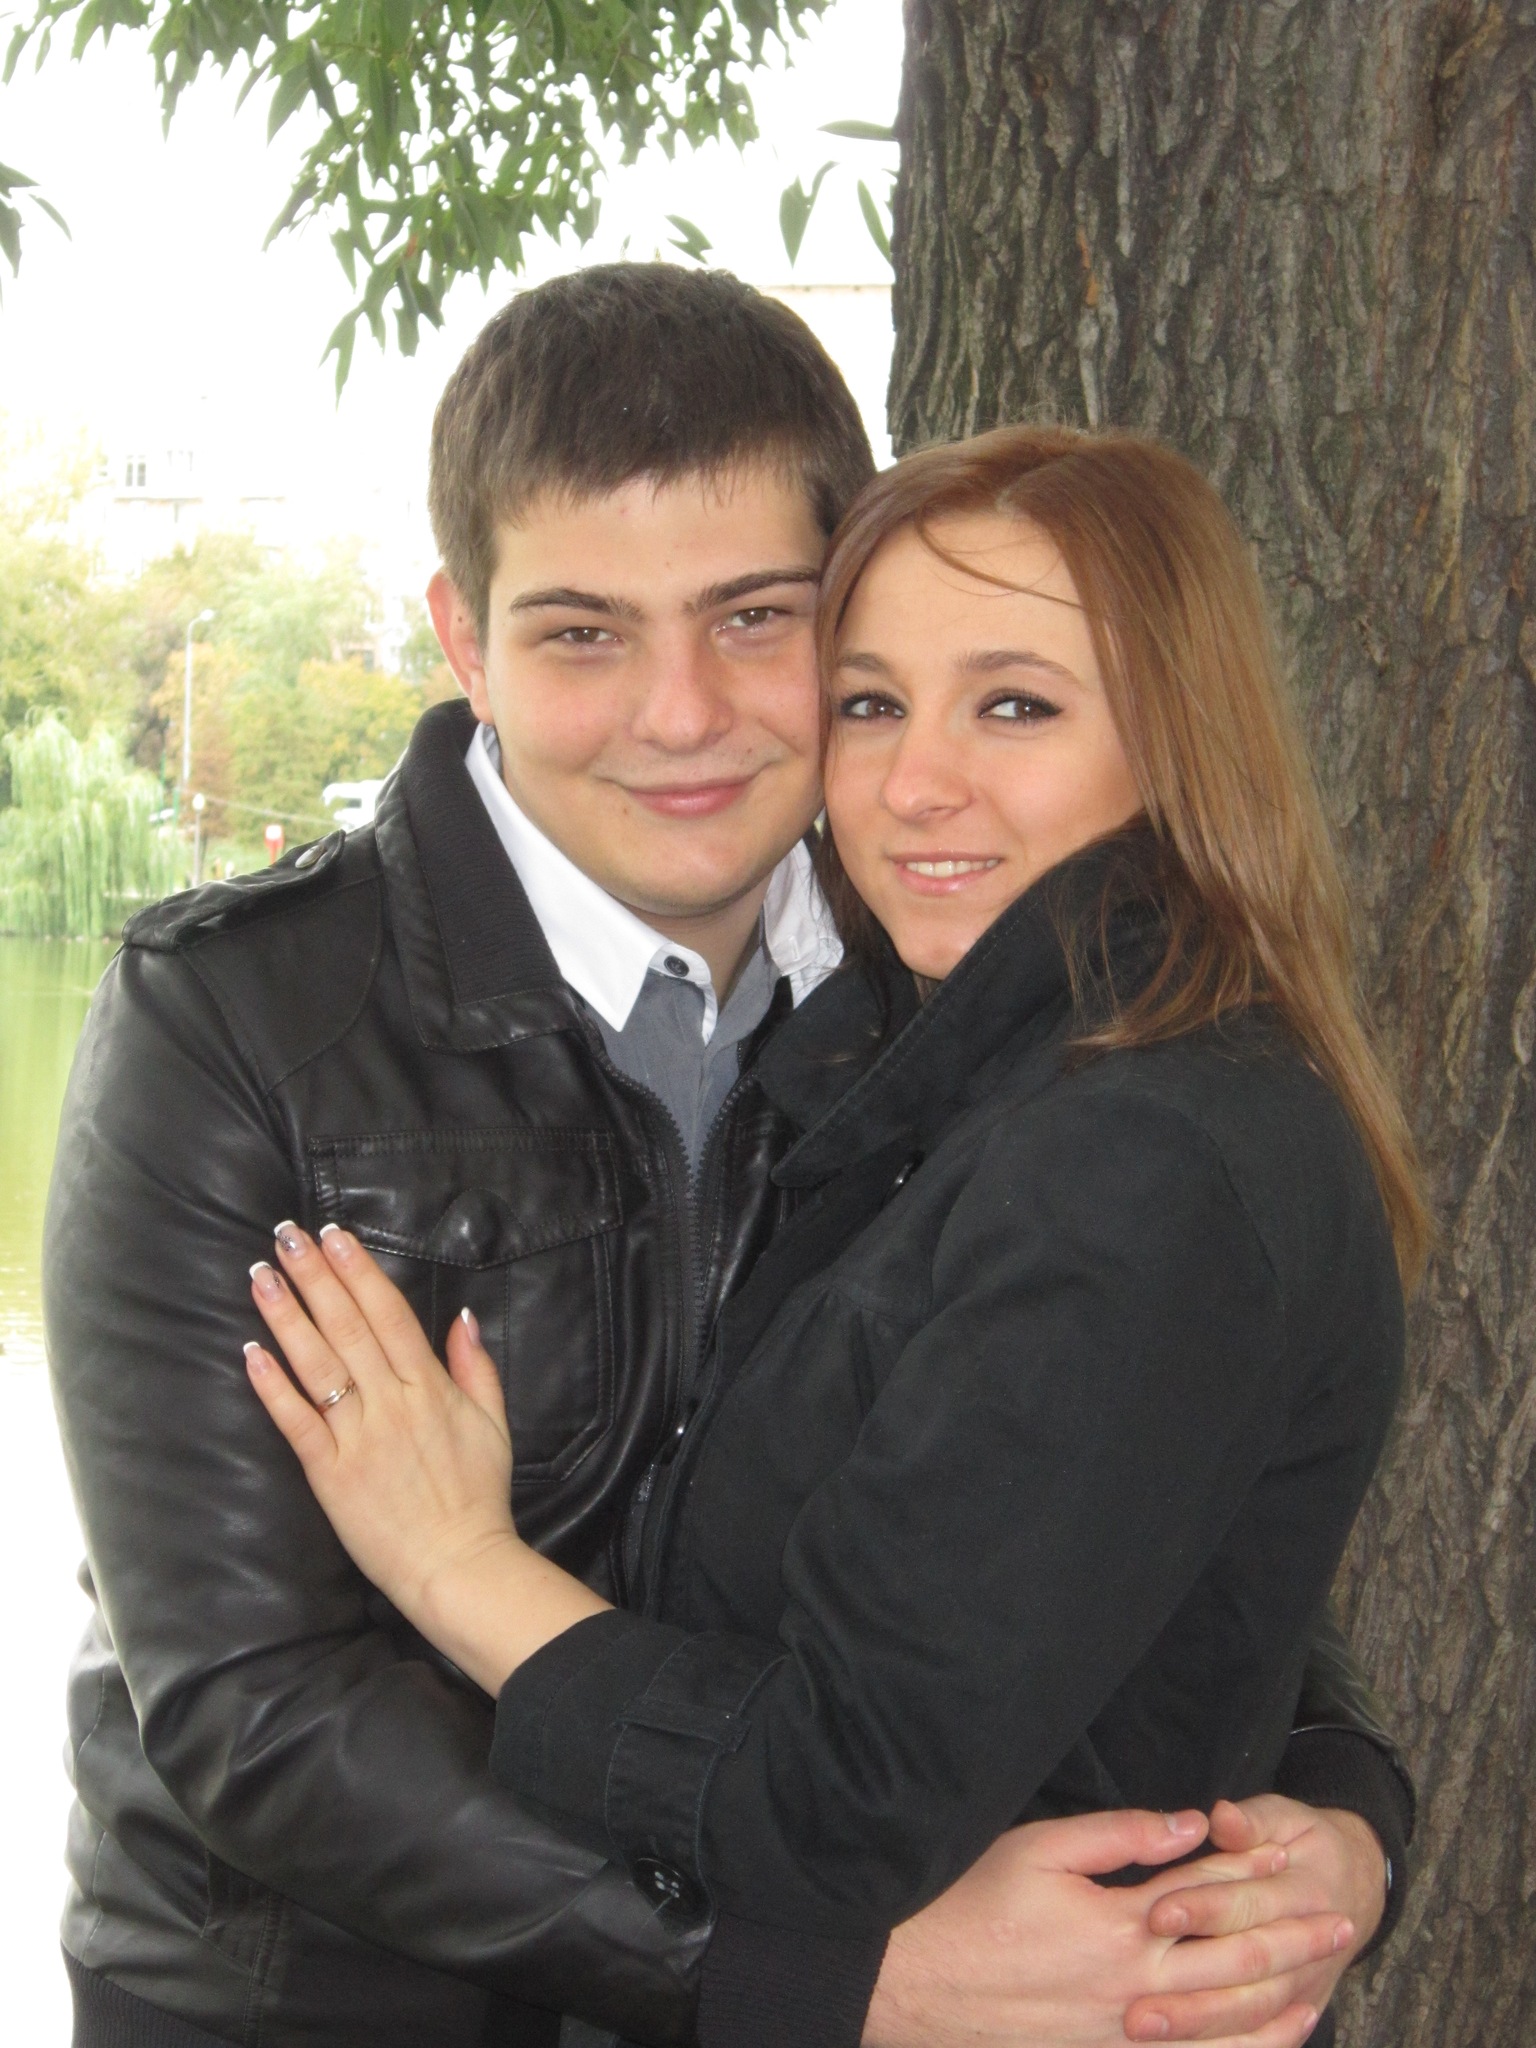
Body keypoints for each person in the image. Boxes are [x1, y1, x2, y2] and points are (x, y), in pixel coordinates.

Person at [46, 271, 1411, 2048]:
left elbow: (1093, 1491)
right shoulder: (239, 1022)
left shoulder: (961, 983)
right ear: (465, 641)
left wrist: (1332, 1799)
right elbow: (255, 1704)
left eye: (754, 619)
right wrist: (814, 1978)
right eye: (583, 634)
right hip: (338, 2006)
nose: (682, 714)